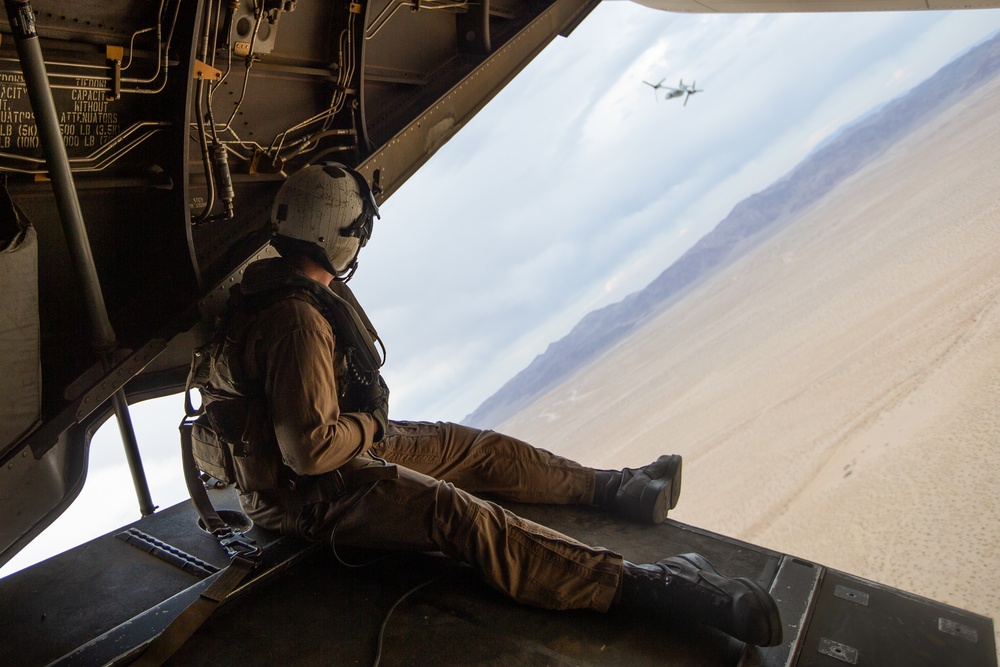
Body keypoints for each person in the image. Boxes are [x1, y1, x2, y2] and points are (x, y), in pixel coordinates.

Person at [194, 163, 782, 647]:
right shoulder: (297, 318)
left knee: (467, 446)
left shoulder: (287, 292)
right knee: (457, 515)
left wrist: (368, 428)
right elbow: (310, 451)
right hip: (307, 495)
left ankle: (616, 488)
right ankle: (651, 585)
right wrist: (372, 424)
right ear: (339, 236)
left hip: (328, 457)